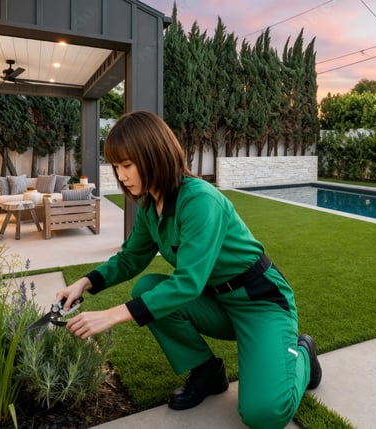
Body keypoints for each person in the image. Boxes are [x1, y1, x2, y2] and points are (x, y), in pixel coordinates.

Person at [56, 110, 321, 429]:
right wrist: (83, 283)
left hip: (260, 303)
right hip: (215, 302)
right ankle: (207, 371)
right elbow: (131, 259)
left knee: (264, 414)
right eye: (116, 165)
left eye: (127, 164)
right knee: (146, 288)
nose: (120, 175)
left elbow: (188, 283)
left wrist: (111, 315)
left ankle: (304, 352)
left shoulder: (200, 201)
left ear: (154, 155)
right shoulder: (150, 206)